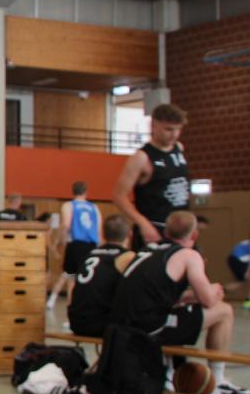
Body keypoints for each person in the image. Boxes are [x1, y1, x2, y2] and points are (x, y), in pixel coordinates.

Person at [112, 211, 244, 394]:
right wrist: (213, 290)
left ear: (166, 232)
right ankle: (218, 380)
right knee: (224, 311)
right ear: (194, 235)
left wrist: (191, 296)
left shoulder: (148, 249)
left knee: (181, 310)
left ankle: (168, 371)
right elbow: (208, 300)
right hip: (146, 328)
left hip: (121, 324)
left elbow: (161, 295)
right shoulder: (189, 255)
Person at [113, 103, 190, 248]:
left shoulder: (179, 148)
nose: (174, 134)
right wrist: (143, 224)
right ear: (153, 125)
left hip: (180, 228)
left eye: (178, 129)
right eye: (169, 129)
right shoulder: (141, 158)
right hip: (155, 229)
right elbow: (118, 196)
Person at [67, 214, 131, 338]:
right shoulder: (126, 257)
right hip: (102, 325)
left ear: (102, 233)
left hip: (76, 322)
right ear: (130, 234)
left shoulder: (89, 255)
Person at [48, 181, 102, 310]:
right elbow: (99, 228)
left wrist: (59, 241)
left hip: (76, 244)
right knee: (88, 277)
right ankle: (86, 306)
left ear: (73, 191)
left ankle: (68, 306)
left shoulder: (69, 205)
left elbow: (66, 224)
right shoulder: (94, 207)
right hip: (92, 246)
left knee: (70, 277)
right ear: (86, 192)